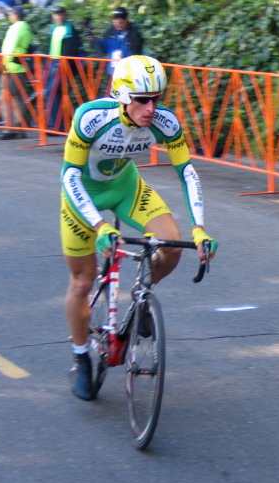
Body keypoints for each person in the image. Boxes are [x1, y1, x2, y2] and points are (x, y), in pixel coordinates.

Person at [60, 55, 217, 400]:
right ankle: (81, 356)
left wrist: (199, 228)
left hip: (126, 187)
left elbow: (186, 172)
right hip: (82, 194)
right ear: (121, 95)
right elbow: (69, 175)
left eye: (156, 98)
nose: (150, 108)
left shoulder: (164, 122)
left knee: (172, 246)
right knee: (82, 281)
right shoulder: (91, 117)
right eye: (142, 100)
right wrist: (100, 226)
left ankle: (142, 295)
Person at [43, 5, 79, 132]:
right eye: (56, 14)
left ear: (64, 15)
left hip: (61, 64)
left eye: (60, 14)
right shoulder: (54, 29)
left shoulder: (69, 29)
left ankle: (58, 125)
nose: (58, 16)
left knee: (53, 92)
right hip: (53, 62)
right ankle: (57, 125)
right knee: (54, 93)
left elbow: (72, 49)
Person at [0, 5, 32, 140]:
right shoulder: (20, 26)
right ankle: (17, 128)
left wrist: (6, 60)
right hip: (14, 67)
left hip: (12, 67)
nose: (9, 15)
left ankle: (12, 129)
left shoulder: (18, 27)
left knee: (11, 98)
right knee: (15, 98)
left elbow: (12, 46)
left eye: (10, 13)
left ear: (16, 15)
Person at [88, 6, 142, 87]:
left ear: (126, 20)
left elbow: (136, 54)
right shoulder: (110, 31)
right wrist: (94, 41)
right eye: (115, 23)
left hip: (127, 74)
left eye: (121, 23)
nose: (118, 25)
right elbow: (105, 48)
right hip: (112, 72)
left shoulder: (134, 34)